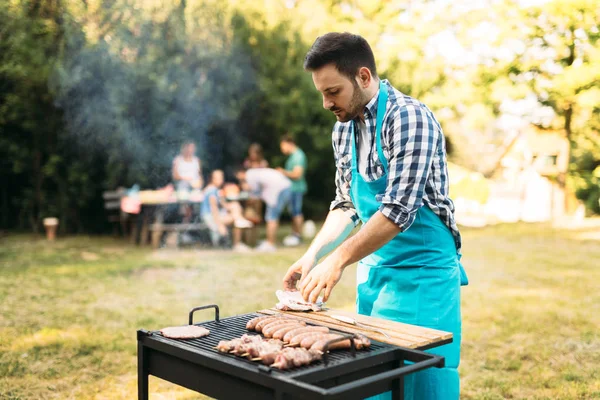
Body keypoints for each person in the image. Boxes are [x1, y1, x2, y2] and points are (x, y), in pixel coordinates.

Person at [282, 33, 468, 400]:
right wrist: (313, 255)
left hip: (423, 274)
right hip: (375, 272)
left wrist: (338, 260)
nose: (325, 103)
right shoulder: (343, 129)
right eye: (322, 92)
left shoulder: (409, 118)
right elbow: (346, 204)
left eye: (333, 91)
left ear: (363, 77)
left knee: (421, 378)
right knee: (373, 379)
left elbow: (398, 212)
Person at [235, 167, 292, 252]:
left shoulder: (249, 175)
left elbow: (253, 193)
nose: (240, 180)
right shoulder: (254, 173)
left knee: (271, 217)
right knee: (272, 216)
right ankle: (270, 242)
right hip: (284, 187)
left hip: (279, 189)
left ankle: (270, 244)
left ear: (242, 172)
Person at [201, 170, 253, 252]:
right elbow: (214, 209)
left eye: (221, 178)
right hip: (211, 217)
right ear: (212, 179)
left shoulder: (215, 190)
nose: (220, 180)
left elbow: (224, 205)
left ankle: (239, 220)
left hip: (215, 215)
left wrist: (233, 207)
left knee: (235, 205)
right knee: (236, 220)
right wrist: (219, 225)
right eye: (217, 178)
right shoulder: (211, 191)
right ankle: (237, 244)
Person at [277, 135, 307, 247]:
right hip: (292, 188)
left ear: (289, 143)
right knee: (294, 212)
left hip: (296, 188)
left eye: (283, 146)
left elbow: (297, 174)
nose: (282, 149)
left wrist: (282, 172)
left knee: (297, 212)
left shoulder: (298, 156)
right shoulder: (293, 156)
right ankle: (294, 235)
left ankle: (298, 236)